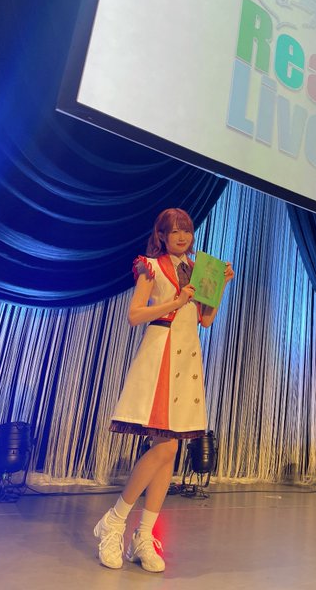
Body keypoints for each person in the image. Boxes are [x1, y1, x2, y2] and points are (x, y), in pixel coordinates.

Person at [93, 208, 234, 573]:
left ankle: (143, 536)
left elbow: (205, 320)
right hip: (161, 356)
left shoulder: (199, 270)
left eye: (186, 230)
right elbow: (135, 314)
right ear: (161, 236)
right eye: (173, 232)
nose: (181, 236)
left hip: (187, 359)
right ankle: (115, 521)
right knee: (167, 446)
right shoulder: (151, 266)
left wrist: (219, 287)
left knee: (169, 450)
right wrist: (175, 302)